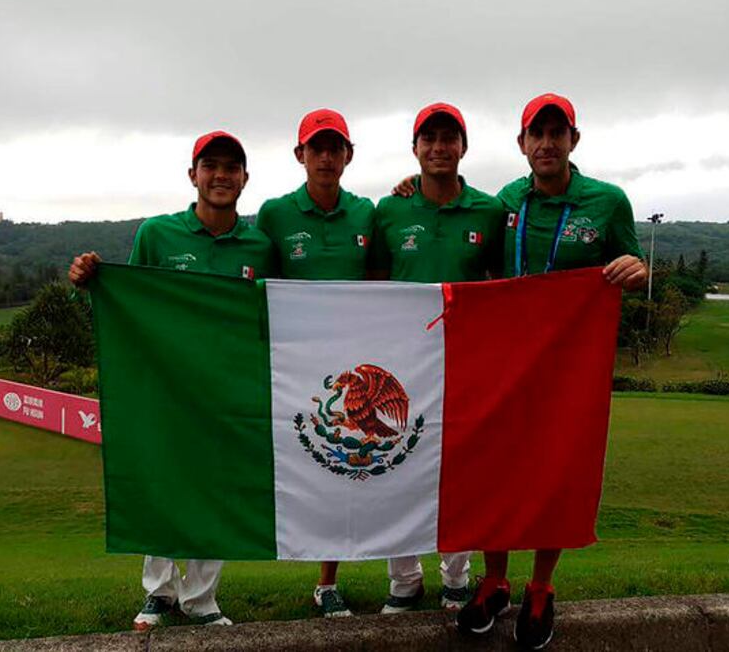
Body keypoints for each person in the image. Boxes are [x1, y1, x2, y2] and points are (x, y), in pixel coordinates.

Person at [455, 93, 647, 646]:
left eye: (556, 133)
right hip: (505, 362)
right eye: (536, 134)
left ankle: (541, 587)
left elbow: (633, 265)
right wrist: (407, 186)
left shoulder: (608, 201)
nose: (546, 144)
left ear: (573, 140)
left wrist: (637, 270)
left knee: (557, 470)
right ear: (521, 143)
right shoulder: (505, 201)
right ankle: (494, 580)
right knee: (495, 469)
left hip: (568, 368)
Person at [69, 130, 277, 631]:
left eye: (231, 167)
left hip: (227, 389)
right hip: (165, 385)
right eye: (211, 166)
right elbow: (128, 301)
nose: (221, 175)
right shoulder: (157, 234)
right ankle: (159, 593)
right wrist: (89, 281)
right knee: (162, 479)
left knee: (215, 486)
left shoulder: (260, 246)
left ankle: (201, 599)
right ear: (193, 175)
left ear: (245, 178)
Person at [372, 102, 505, 614]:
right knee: (398, 467)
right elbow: (373, 284)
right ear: (415, 149)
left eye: (449, 138)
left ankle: (456, 577)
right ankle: (404, 581)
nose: (439, 147)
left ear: (463, 147)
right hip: (402, 362)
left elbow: (506, 286)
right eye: (429, 139)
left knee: (462, 469)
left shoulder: (490, 210)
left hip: (467, 363)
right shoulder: (390, 210)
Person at [255, 108, 375, 617]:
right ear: (299, 154)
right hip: (294, 363)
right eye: (316, 148)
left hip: (350, 362)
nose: (326, 158)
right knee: (300, 468)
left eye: (335, 148)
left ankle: (327, 581)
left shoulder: (367, 212)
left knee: (340, 468)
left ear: (348, 155)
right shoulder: (274, 214)